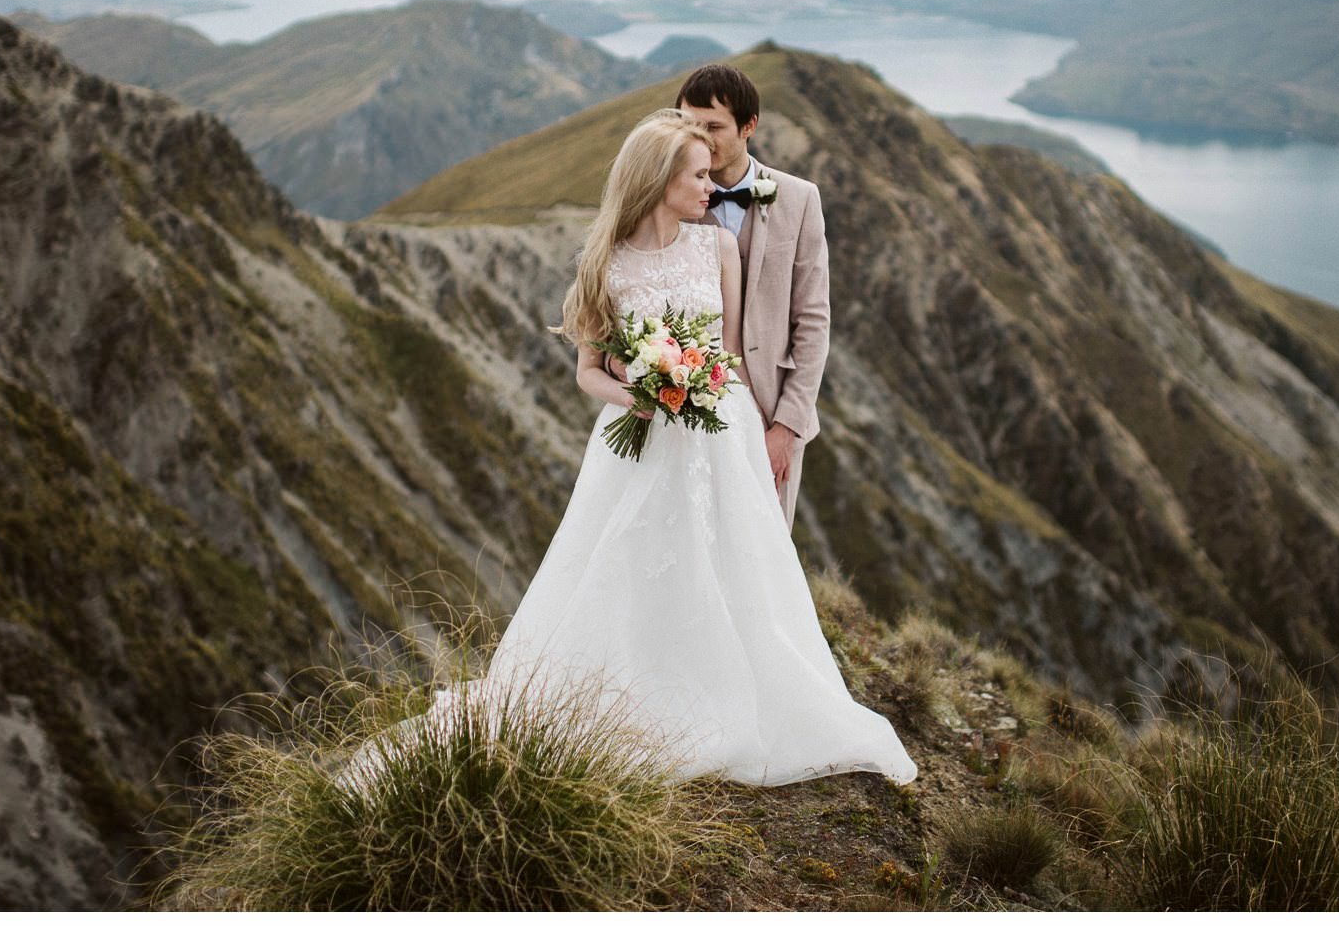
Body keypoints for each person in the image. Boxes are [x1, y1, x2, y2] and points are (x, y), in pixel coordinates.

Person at [349, 108, 915, 789]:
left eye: (711, 174)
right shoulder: (607, 264)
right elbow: (588, 370)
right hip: (640, 437)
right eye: (699, 176)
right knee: (635, 558)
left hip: (718, 428)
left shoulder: (717, 250)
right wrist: (642, 394)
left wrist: (707, 384)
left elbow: (729, 352)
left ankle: (742, 682)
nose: (711, 187)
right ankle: (645, 685)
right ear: (659, 180)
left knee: (736, 559)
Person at [612, 64, 827, 532]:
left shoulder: (800, 198)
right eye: (689, 124)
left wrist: (786, 429)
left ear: (749, 127)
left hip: (773, 412)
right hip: (685, 419)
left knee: (762, 552)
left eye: (713, 127)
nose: (700, 138)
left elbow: (812, 323)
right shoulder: (671, 204)